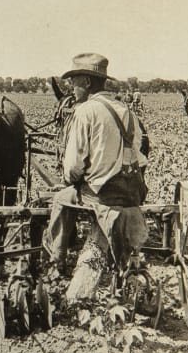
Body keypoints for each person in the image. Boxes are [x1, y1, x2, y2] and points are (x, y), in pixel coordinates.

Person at [44, 53, 150, 300]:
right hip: (132, 192)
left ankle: (56, 259)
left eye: (75, 82)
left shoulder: (85, 112)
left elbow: (73, 166)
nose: (72, 88)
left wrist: (74, 181)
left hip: (101, 195)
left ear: (88, 83)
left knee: (61, 198)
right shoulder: (128, 112)